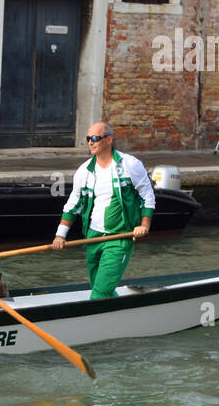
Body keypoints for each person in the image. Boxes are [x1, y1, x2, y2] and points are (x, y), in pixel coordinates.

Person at [51, 122, 155, 299]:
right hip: (93, 237)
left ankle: (87, 325)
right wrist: (60, 235)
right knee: (100, 289)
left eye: (95, 138)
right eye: (88, 139)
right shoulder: (84, 171)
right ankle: (120, 313)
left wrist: (144, 225)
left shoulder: (130, 165)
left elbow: (147, 196)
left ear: (109, 139)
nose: (91, 142)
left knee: (99, 293)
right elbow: (73, 205)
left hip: (119, 238)